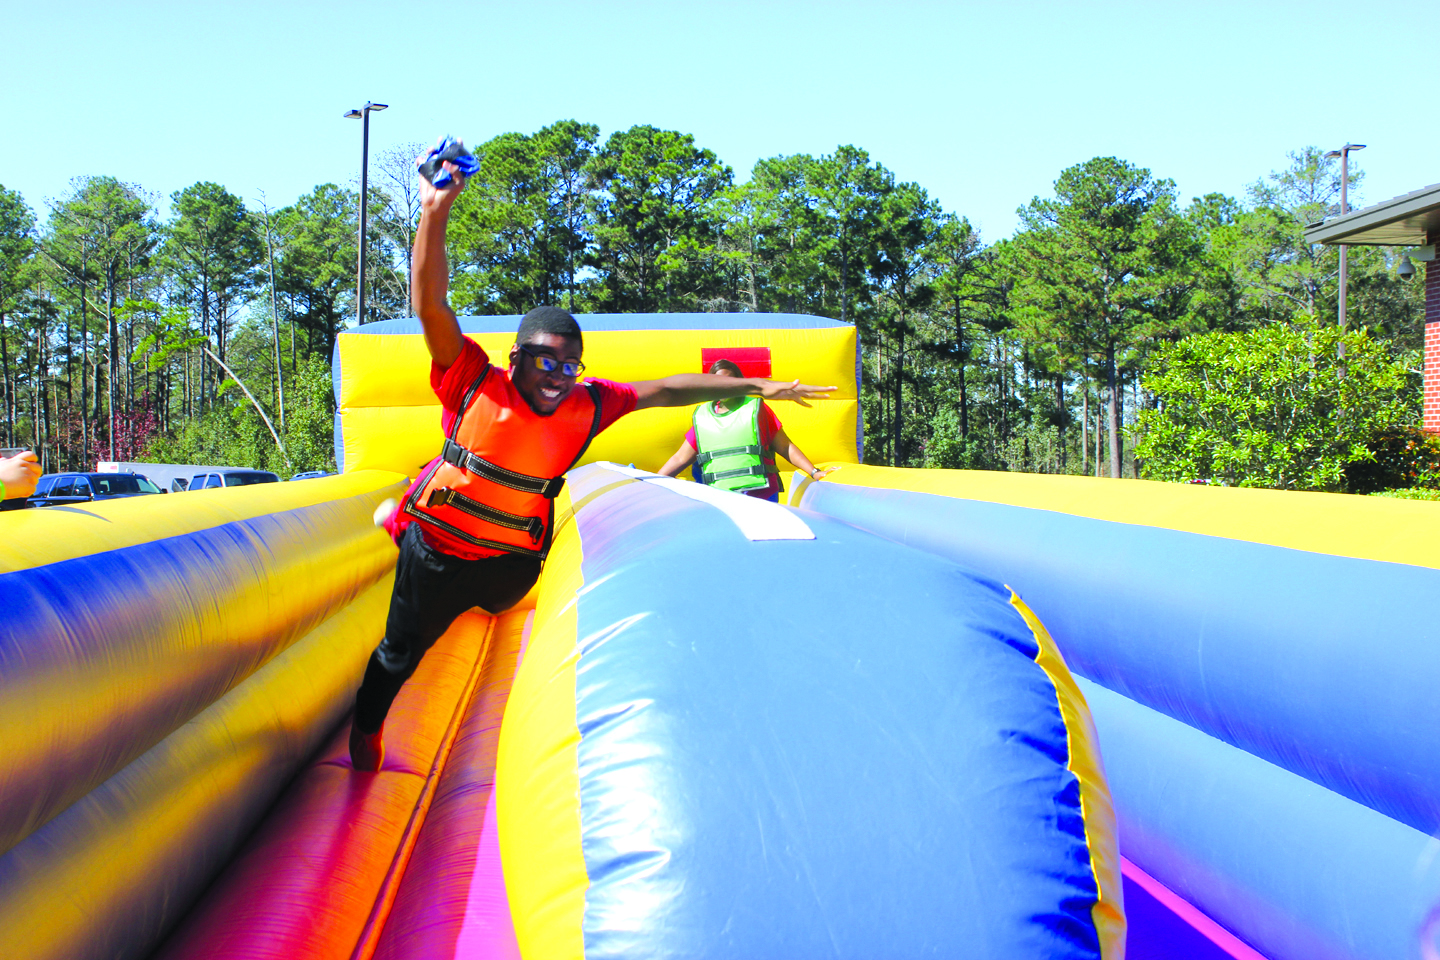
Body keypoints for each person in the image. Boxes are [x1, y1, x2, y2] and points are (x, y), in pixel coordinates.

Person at [348, 151, 836, 771]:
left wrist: (760, 386)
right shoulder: (471, 380)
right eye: (545, 361)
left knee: (501, 601)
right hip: (439, 551)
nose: (557, 376)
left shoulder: (587, 404)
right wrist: (433, 211)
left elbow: (668, 389)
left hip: (509, 563)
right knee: (399, 655)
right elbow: (432, 306)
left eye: (569, 364)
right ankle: (366, 722)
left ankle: (404, 524)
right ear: (516, 358)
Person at [657, 359, 833, 500]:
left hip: (761, 494)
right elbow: (680, 458)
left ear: (739, 383)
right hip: (721, 497)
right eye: (717, 382)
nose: (722, 386)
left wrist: (814, 472)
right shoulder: (704, 416)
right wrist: (654, 482)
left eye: (728, 381)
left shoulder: (755, 409)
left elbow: (785, 446)